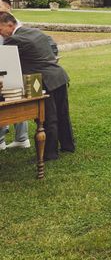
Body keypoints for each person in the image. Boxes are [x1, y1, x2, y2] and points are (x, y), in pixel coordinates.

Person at [0, 12, 75, 161]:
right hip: (58, 75)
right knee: (62, 114)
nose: (1, 34)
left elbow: (6, 61)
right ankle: (68, 145)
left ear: (10, 25)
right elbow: (53, 47)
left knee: (48, 118)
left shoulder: (12, 40)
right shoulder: (35, 31)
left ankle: (49, 154)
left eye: (0, 30)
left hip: (43, 80)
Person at [0, 0, 30, 151]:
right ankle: (14, 138)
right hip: (9, 65)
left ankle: (19, 138)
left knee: (13, 99)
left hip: (11, 66)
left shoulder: (12, 25)